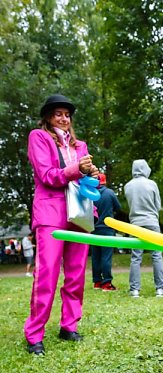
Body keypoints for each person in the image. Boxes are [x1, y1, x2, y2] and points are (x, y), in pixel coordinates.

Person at [24, 94, 99, 355]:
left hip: (79, 214)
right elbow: (46, 175)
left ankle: (69, 325)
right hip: (50, 214)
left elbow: (85, 180)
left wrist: (95, 179)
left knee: (76, 275)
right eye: (58, 114)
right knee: (47, 275)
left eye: (67, 114)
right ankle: (34, 334)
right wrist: (77, 169)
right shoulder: (39, 137)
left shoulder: (81, 145)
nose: (64, 118)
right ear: (47, 117)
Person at [124, 159, 163, 297]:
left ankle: (134, 290)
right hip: (152, 222)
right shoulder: (152, 184)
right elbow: (158, 205)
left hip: (135, 224)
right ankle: (160, 289)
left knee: (136, 257)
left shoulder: (128, 186)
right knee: (157, 255)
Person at [92, 173, 121, 291]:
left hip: (93, 228)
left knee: (96, 256)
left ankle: (97, 282)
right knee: (106, 256)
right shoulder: (109, 193)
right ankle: (107, 283)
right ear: (105, 181)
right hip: (107, 228)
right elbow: (118, 207)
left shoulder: (91, 194)